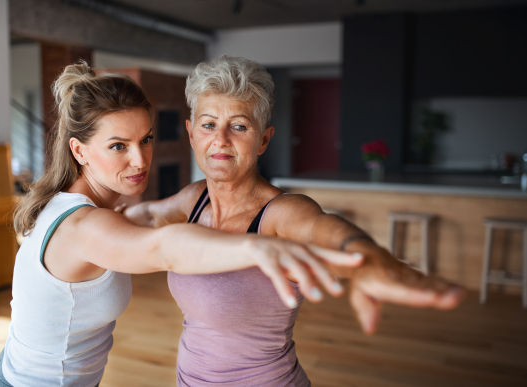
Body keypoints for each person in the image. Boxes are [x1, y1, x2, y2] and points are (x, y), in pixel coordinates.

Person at [0, 63, 363, 387]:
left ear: (264, 139)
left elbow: (145, 218)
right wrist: (256, 246)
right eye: (118, 146)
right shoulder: (86, 225)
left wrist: (366, 255)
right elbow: (163, 247)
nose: (139, 160)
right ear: (79, 150)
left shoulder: (74, 207)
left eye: (146, 139)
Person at [120, 56, 466, 386]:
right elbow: (149, 214)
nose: (220, 139)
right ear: (192, 133)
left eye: (239, 126)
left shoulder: (279, 213)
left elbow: (321, 228)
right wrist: (89, 207)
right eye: (209, 124)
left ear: (264, 139)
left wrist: (367, 259)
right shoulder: (194, 199)